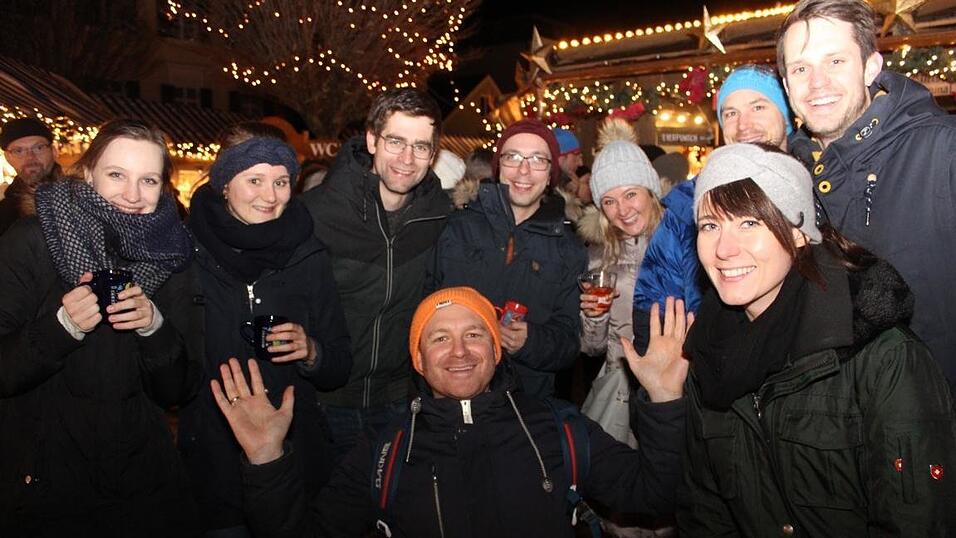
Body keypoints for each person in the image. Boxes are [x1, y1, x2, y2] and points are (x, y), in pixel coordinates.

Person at [214, 286, 691, 537]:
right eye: (439, 338)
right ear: (419, 360)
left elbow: (653, 494)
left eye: (475, 333)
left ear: (497, 349)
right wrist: (266, 462)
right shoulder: (384, 447)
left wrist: (667, 403)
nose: (459, 351)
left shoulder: (557, 425)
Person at [678, 143, 956, 536]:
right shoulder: (708, 351)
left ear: (798, 235)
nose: (724, 249)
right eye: (710, 225)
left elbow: (919, 522)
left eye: (750, 223)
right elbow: (703, 510)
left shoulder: (881, 357)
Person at [0, 119, 200, 536]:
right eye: (116, 175)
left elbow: (178, 390)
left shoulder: (172, 253)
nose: (132, 195)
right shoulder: (33, 240)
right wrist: (60, 327)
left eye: (147, 179)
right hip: (47, 482)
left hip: (142, 485)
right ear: (88, 174)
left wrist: (155, 327)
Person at [177, 137, 352, 537]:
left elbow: (338, 364)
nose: (269, 195)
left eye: (281, 182)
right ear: (225, 185)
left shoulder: (308, 254)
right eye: (254, 181)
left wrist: (311, 352)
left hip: (293, 450)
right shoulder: (187, 254)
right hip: (212, 451)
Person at [778, 0, 956, 389]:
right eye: (801, 68)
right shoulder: (791, 179)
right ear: (789, 87)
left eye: (836, 61)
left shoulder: (943, 152)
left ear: (871, 68)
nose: (817, 82)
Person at [301, 88, 451, 464]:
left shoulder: (439, 218)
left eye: (420, 146)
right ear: (371, 139)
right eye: (396, 141)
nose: (406, 158)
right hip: (327, 401)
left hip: (402, 401)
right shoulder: (316, 213)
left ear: (433, 155)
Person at [632, 64, 794, 356]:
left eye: (758, 106)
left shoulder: (819, 189)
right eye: (730, 113)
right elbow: (652, 306)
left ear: (786, 114)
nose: (743, 125)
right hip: (713, 374)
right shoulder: (687, 205)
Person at [429, 119, 588, 398]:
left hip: (527, 405)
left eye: (538, 159)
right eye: (513, 157)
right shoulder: (456, 228)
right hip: (450, 396)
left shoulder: (568, 247)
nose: (524, 170)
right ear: (499, 165)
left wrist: (531, 341)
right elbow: (423, 312)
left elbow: (569, 343)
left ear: (551, 172)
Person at [577, 118, 664, 448]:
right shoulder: (598, 257)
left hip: (674, 389)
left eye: (630, 194)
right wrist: (594, 315)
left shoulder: (682, 243)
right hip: (620, 388)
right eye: (609, 201)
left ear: (650, 192)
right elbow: (592, 347)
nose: (622, 210)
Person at [0, 118, 62, 235]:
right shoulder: (4, 216)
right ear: (8, 158)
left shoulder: (84, 199)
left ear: (53, 151)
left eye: (39, 148)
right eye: (19, 151)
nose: (30, 157)